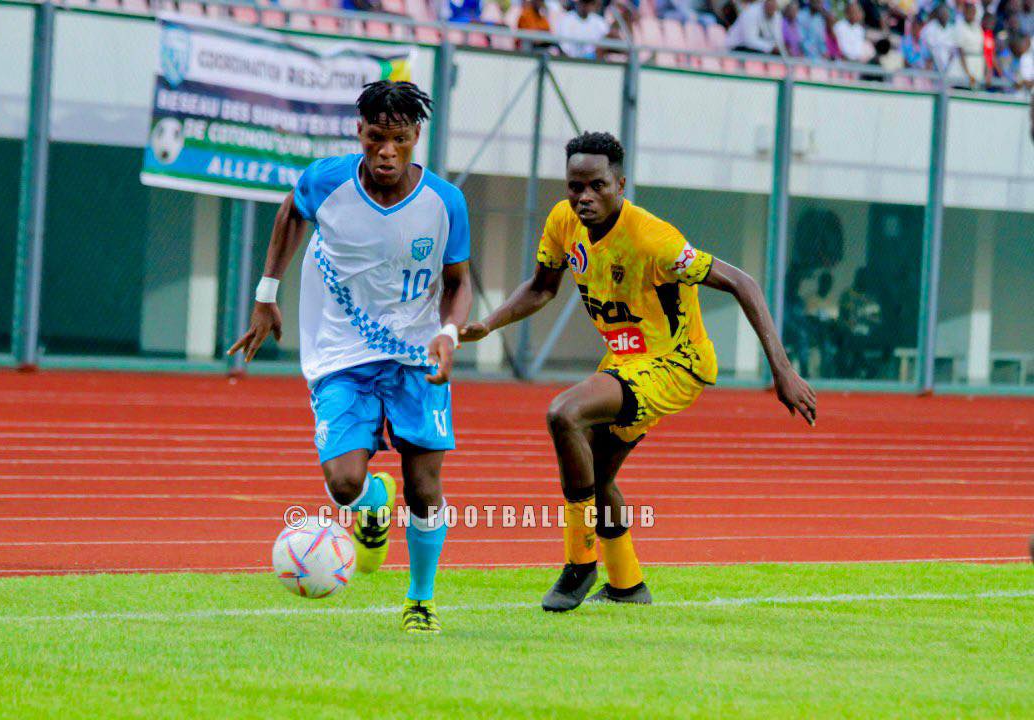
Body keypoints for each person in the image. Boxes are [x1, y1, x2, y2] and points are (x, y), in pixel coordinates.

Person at [460, 132, 816, 612]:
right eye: (574, 186)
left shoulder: (654, 239)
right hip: (626, 363)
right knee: (598, 470)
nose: (584, 197)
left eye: (597, 186)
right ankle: (628, 586)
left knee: (564, 413)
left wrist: (783, 371)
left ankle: (580, 561)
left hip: (676, 364)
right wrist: (489, 322)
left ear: (620, 184)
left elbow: (743, 282)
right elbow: (543, 288)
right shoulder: (564, 223)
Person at [228, 81, 472, 635]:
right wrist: (267, 295)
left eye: (401, 140)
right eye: (376, 138)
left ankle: (420, 600)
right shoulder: (327, 180)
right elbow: (292, 210)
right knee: (342, 481)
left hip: (416, 353)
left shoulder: (445, 202)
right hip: (342, 352)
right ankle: (371, 504)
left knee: (426, 486)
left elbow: (458, 282)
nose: (387, 152)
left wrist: (450, 333)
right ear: (359, 132)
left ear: (417, 138)